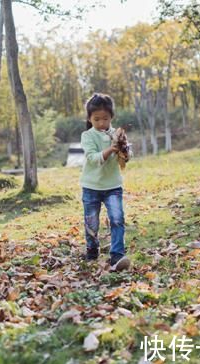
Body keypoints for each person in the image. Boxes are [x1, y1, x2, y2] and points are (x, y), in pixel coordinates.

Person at [80, 93, 131, 272]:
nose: (102, 123)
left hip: (113, 186)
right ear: (89, 118)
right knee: (91, 222)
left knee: (117, 218)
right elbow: (93, 158)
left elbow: (127, 157)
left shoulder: (116, 134)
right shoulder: (87, 136)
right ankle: (92, 249)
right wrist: (110, 149)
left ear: (111, 117)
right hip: (91, 187)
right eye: (97, 119)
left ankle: (117, 254)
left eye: (105, 119)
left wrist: (124, 149)